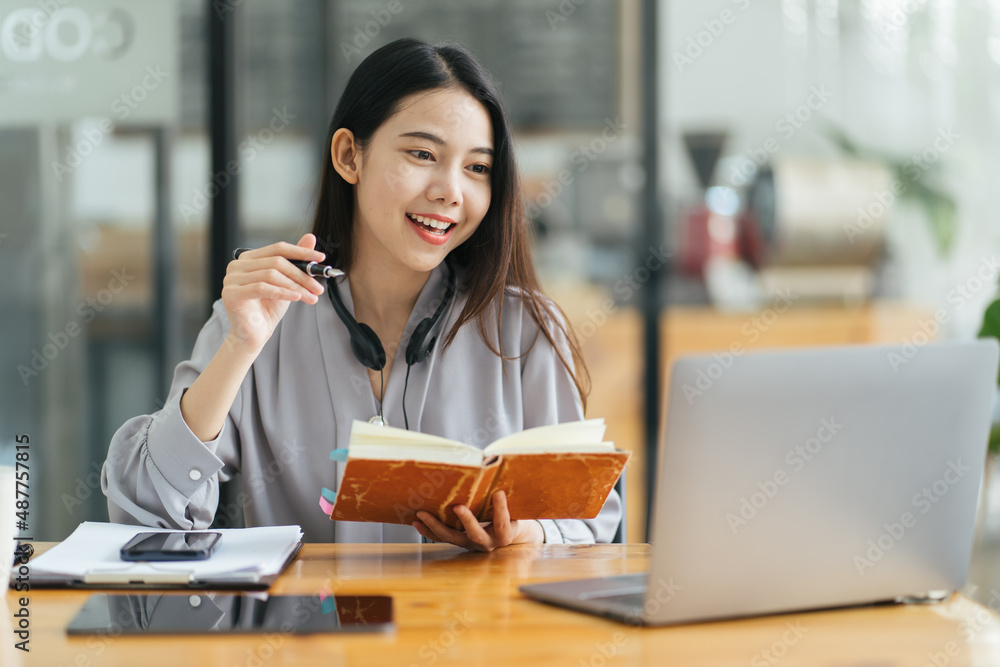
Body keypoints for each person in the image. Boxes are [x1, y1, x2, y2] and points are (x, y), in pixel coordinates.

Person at [102, 38, 621, 551]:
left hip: (472, 632)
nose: (451, 191)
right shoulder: (261, 316)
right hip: (308, 634)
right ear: (350, 156)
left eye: (477, 168)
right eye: (423, 153)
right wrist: (240, 345)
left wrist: (530, 533)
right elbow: (146, 514)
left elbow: (588, 521)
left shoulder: (523, 327)